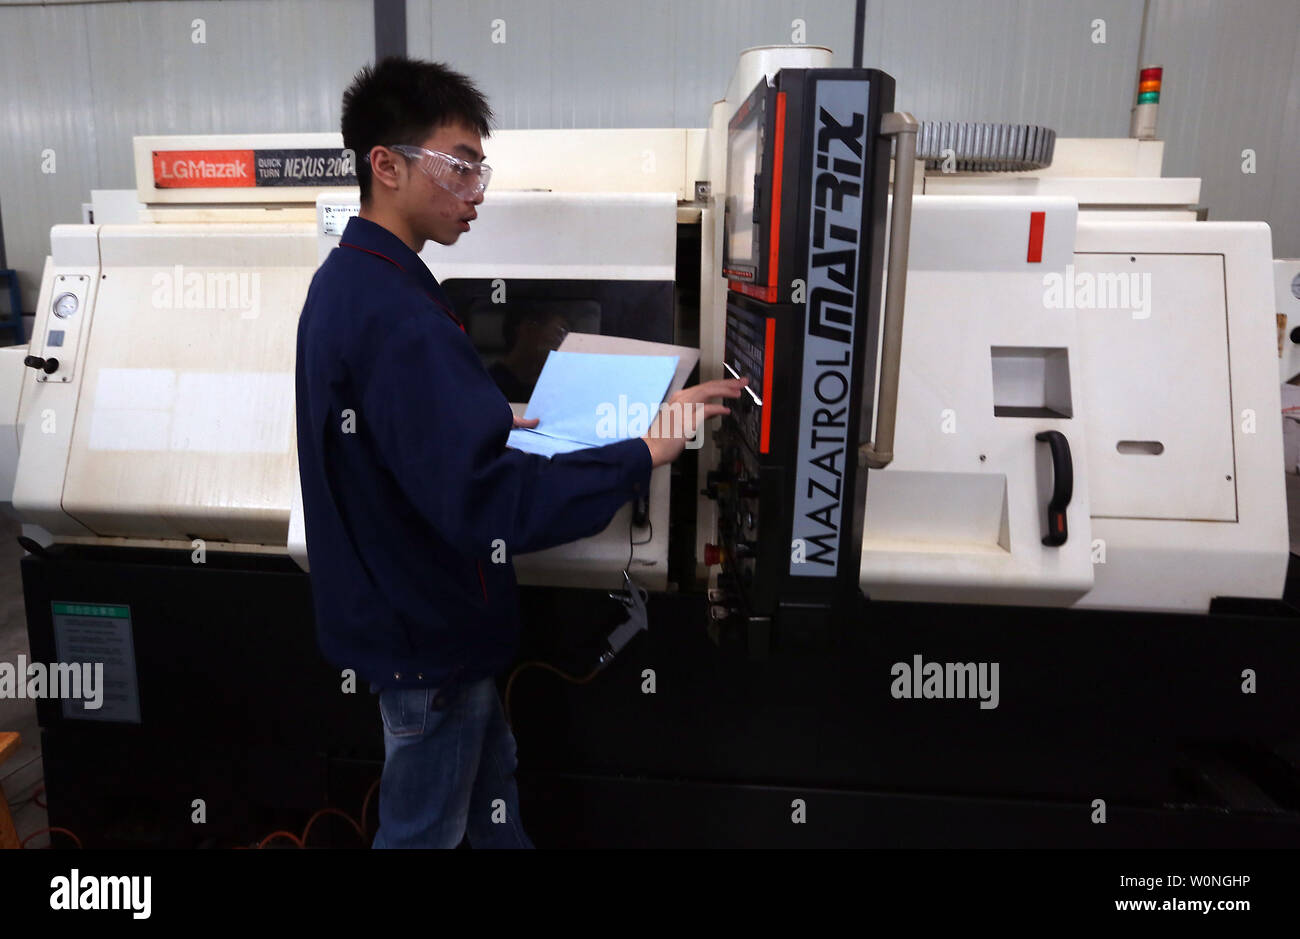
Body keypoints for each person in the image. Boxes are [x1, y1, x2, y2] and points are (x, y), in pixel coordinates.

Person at [294, 55, 745, 849]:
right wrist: (644, 450)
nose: (476, 192)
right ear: (386, 166)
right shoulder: (393, 311)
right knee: (423, 834)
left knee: (486, 813)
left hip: (423, 632)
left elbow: (406, 441)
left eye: (480, 169)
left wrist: (495, 417)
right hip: (429, 644)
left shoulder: (355, 284)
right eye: (458, 166)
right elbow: (489, 503)